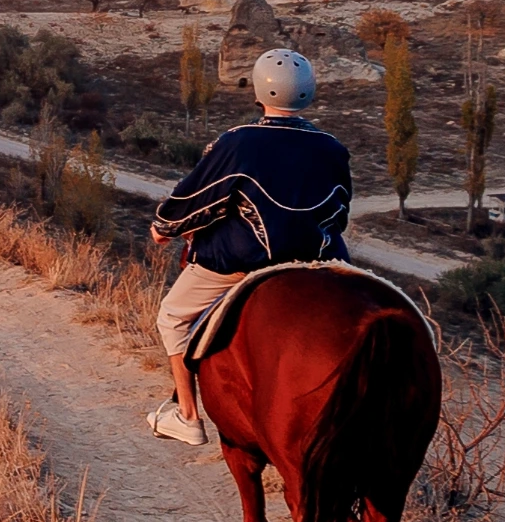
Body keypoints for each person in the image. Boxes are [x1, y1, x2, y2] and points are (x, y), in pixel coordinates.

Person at [145, 48, 355, 447]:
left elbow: (199, 196)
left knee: (171, 316)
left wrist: (164, 226)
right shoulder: (333, 148)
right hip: (319, 264)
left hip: (246, 262)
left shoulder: (240, 141)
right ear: (309, 94)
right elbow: (339, 213)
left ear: (258, 92)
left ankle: (187, 415)